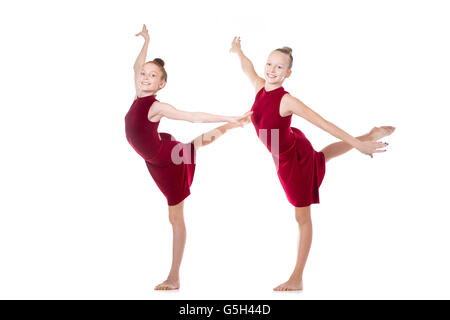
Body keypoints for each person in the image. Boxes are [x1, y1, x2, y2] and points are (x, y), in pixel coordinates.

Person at [230, 36, 395, 291]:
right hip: (290, 147)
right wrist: (239, 51)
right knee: (321, 158)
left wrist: (358, 146)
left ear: (288, 74)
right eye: (270, 64)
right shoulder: (260, 86)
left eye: (279, 67)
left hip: (291, 159)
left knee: (302, 217)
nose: (272, 70)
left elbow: (324, 124)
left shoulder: (288, 101)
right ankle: (368, 135)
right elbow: (247, 68)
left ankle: (297, 277)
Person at [125, 25, 251, 291]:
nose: (144, 76)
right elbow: (137, 65)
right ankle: (228, 127)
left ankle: (174, 276)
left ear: (162, 84)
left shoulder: (156, 106)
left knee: (175, 218)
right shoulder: (138, 93)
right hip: (156, 158)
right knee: (195, 146)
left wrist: (227, 115)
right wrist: (147, 40)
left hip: (168, 163)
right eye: (143, 73)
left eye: (152, 75)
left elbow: (192, 116)